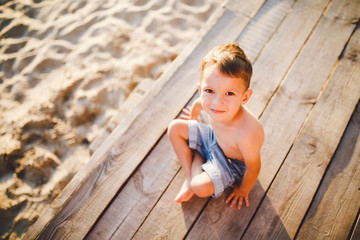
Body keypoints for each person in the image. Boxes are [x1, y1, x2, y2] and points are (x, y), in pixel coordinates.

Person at [167, 43, 264, 210]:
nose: (217, 102)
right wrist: (193, 118)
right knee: (174, 127)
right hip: (212, 136)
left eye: (230, 93)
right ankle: (190, 176)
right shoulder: (208, 102)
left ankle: (197, 158)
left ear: (245, 97)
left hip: (230, 161)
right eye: (210, 91)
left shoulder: (244, 133)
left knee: (200, 188)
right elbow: (198, 104)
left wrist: (243, 189)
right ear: (201, 89)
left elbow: (254, 167)